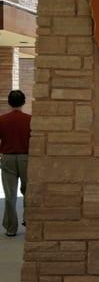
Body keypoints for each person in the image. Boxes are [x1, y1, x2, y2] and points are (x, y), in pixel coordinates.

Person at [0, 90, 31, 237]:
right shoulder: (30, 120)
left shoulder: (2, 120)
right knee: (29, 192)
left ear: (9, 102)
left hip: (8, 158)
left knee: (10, 195)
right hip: (26, 158)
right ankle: (29, 221)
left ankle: (11, 228)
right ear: (24, 102)